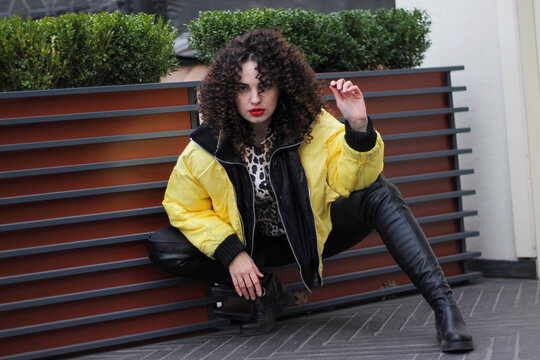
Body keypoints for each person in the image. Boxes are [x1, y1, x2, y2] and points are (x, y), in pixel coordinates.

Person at [148, 29, 474, 352]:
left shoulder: (313, 125)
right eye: (243, 89)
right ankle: (266, 292)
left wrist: (358, 129)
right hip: (256, 246)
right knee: (165, 246)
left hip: (312, 231)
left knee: (380, 192)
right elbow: (184, 207)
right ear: (227, 92)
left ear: (283, 87)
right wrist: (231, 252)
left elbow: (353, 181)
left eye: (265, 87)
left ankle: (445, 308)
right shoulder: (207, 146)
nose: (255, 99)